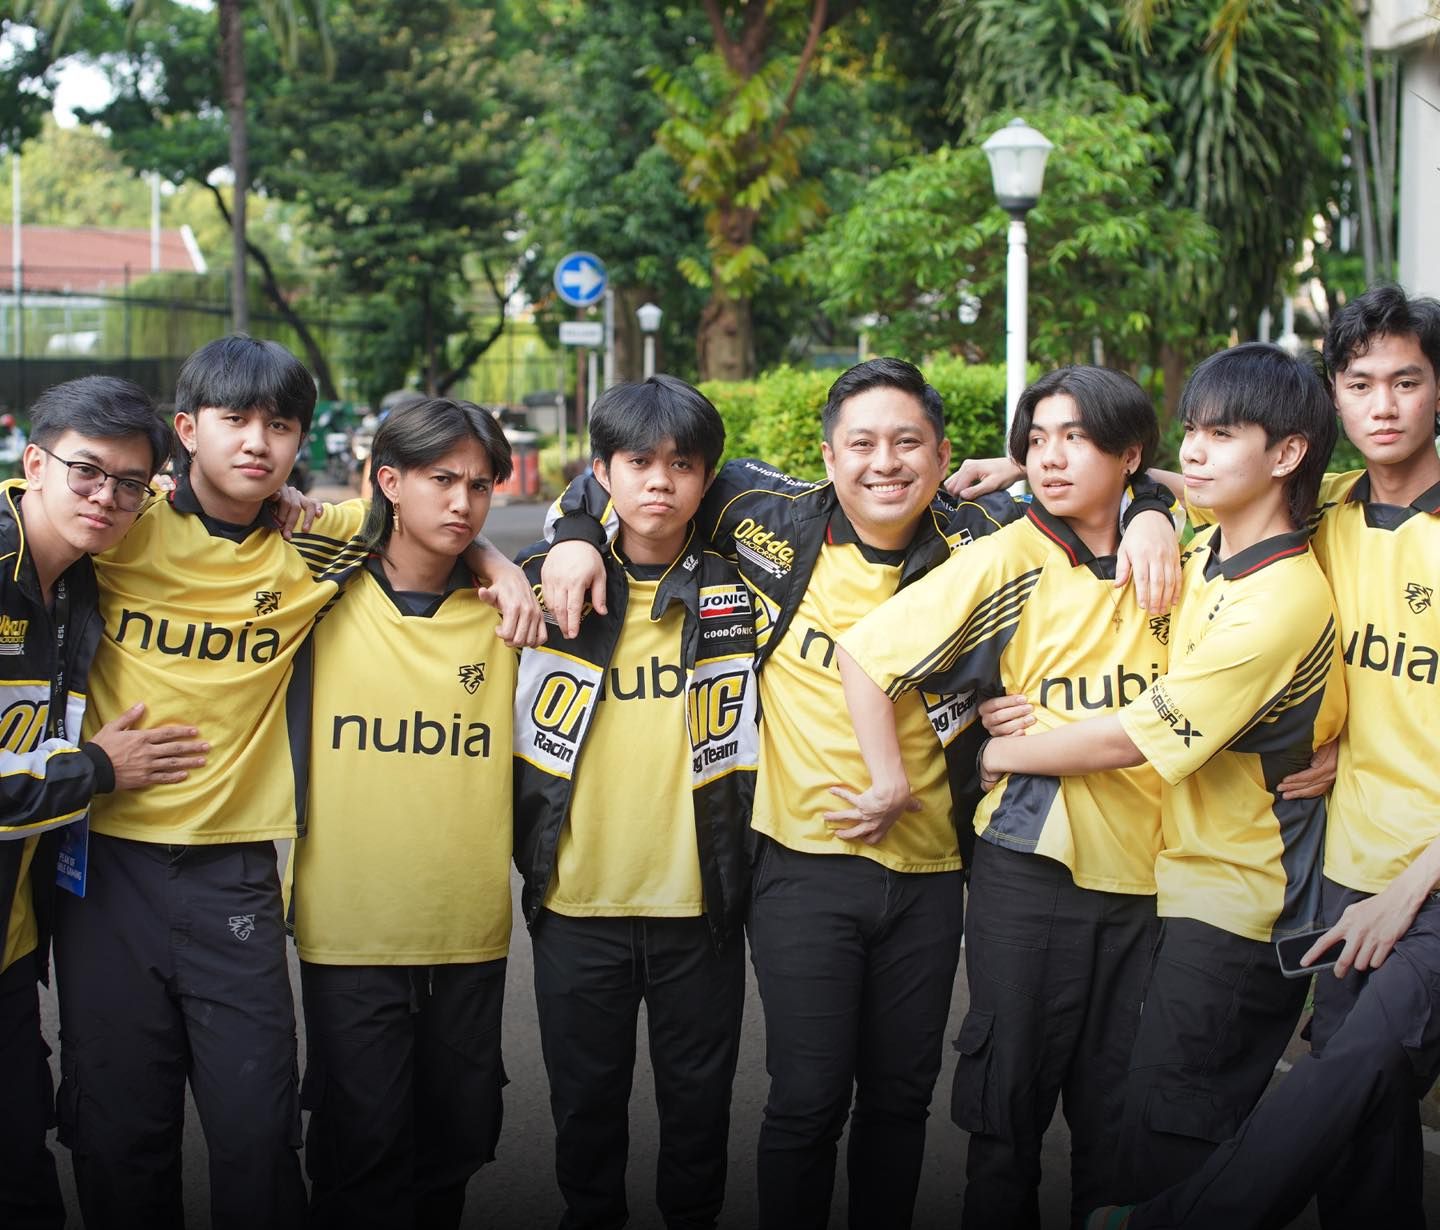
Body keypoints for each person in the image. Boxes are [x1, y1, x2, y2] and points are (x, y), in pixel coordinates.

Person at [540, 357, 1180, 1229]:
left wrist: (1149, 510)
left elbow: (1115, 483)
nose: (885, 463)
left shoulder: (981, 531)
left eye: (908, 443)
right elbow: (637, 468)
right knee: (806, 1100)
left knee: (900, 1099)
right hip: (801, 866)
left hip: (930, 870)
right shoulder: (759, 515)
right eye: (862, 443)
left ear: (942, 454)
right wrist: (578, 533)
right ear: (828, 455)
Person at [50, 336, 540, 1230]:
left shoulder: (315, 542)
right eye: (234, 420)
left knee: (258, 1130)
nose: (256, 442)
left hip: (235, 863)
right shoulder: (121, 523)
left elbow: (430, 517)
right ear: (186, 430)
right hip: (108, 859)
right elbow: (42, 520)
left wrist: (499, 564)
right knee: (121, 1131)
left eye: (279, 426)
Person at [1084, 287, 1440, 1230]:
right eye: (1359, 383)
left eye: (1407, 381)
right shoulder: (1328, 513)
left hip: (1425, 877)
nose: (1383, 405)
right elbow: (1211, 476)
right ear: (1334, 397)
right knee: (1364, 1138)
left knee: (1351, 1070)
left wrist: (1411, 889)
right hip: (1350, 867)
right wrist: (1142, 506)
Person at [977, 343, 1346, 1205]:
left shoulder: (1281, 599)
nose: (1197, 454)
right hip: (1178, 882)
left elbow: (1134, 740)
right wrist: (1141, 503)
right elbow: (1154, 482)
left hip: (1243, 903)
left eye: (1223, 435)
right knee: (1128, 1136)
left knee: (1164, 1155)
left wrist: (991, 754)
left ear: (1288, 454)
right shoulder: (1210, 544)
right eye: (1193, 432)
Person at [835, 366, 1167, 1229]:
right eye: (1037, 441)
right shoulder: (1008, 556)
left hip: (1159, 874)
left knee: (1122, 1122)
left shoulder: (1183, 545)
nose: (1051, 458)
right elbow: (864, 655)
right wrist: (888, 778)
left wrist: (1155, 509)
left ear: (1130, 453)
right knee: (1006, 1113)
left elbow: (1249, 483)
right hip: (1033, 867)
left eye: (1077, 439)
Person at [513, 375, 757, 1230]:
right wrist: (571, 534)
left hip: (701, 909)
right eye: (638, 463)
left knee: (699, 1119)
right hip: (576, 905)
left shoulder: (747, 591)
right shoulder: (541, 585)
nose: (660, 482)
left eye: (683, 465)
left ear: (708, 479)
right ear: (601, 473)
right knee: (585, 1118)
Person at [288, 398, 517, 1230]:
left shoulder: (510, 610)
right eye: (441, 480)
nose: (463, 503)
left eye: (480, 486)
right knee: (361, 1153)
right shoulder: (317, 590)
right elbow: (254, 504)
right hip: (350, 927)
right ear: (388, 481)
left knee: (454, 1150)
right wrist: (494, 554)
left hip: (468, 929)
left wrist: (502, 563)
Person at [0, 376, 206, 1230]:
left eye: (130, 483)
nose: (106, 498)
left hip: (13, 945)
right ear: (34, 463)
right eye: (86, 472)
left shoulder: (83, 580)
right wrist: (97, 769)